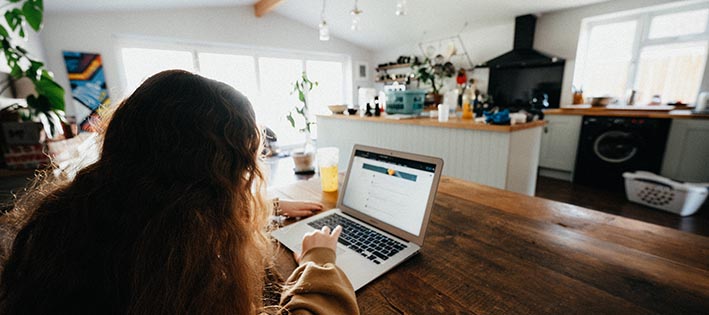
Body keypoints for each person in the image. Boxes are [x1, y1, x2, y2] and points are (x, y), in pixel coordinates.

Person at [0, 70, 358, 315]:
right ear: (213, 180)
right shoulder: (175, 267)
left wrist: (268, 204)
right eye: (239, 167)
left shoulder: (73, 213)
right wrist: (319, 262)